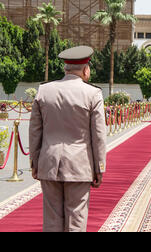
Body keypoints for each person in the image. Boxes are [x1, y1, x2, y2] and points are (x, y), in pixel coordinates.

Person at [29, 45, 107, 232]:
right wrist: (99, 168)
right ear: (86, 69)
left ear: (65, 68)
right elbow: (98, 135)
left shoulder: (44, 91)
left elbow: (34, 132)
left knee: (52, 220)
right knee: (76, 220)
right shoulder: (93, 94)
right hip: (80, 165)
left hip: (49, 162)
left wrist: (35, 163)